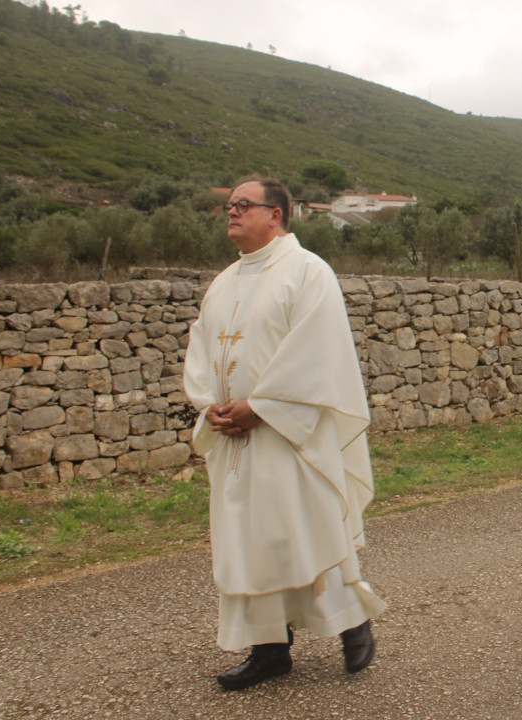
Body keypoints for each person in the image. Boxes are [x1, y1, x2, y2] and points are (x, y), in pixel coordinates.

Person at [184, 178, 387, 690]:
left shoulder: (307, 271)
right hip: (235, 439)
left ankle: (352, 623)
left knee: (306, 529)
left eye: (243, 205)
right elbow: (202, 348)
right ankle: (269, 649)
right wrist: (210, 405)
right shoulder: (224, 281)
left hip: (290, 434)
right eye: (229, 206)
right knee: (248, 540)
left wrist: (263, 406)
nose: (232, 212)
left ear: (275, 214)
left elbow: (318, 351)